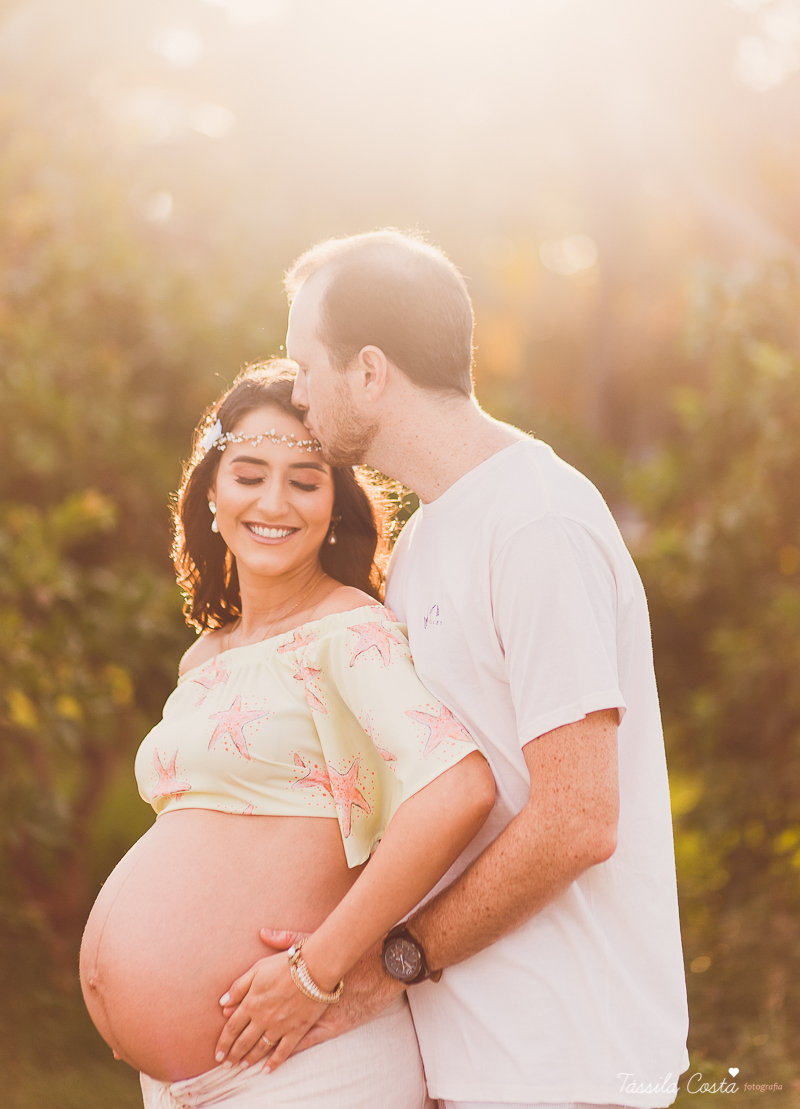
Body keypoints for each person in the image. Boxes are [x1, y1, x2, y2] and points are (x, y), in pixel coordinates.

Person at [253, 228, 690, 1109]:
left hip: (563, 1061)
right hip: (477, 1055)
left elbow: (577, 819)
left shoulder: (537, 523)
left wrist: (391, 961)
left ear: (369, 372)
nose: (297, 392)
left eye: (306, 364)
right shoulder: (426, 537)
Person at [79, 360, 495, 1109]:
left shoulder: (348, 630)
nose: (274, 502)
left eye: (304, 482)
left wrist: (317, 970)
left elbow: (457, 790)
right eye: (249, 474)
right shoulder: (204, 657)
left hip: (305, 1065)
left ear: (334, 506)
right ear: (211, 492)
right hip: (182, 1080)